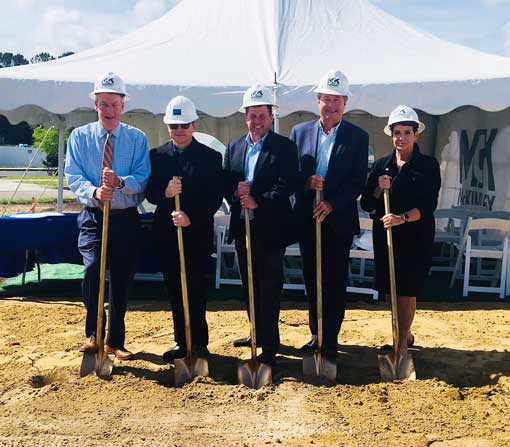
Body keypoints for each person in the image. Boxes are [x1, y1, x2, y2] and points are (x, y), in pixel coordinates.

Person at [65, 71, 151, 360]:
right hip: (92, 217)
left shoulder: (137, 139)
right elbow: (73, 176)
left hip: (125, 218)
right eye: (104, 104)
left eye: (114, 104)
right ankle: (94, 334)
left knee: (122, 279)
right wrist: (94, 191)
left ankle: (115, 341)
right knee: (92, 271)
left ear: (123, 105)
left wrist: (121, 182)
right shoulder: (79, 137)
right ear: (95, 106)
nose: (109, 110)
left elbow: (143, 178)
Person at [290, 69, 369, 362]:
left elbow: (358, 180)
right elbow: (291, 173)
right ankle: (315, 333)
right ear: (318, 101)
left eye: (337, 100)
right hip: (308, 216)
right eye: (326, 99)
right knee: (312, 277)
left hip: (338, 219)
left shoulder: (358, 137)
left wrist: (333, 202)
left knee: (334, 279)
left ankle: (331, 338)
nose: (331, 105)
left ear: (345, 103)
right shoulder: (300, 132)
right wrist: (306, 182)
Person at [224, 85, 298, 371]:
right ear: (246, 116)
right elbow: (226, 181)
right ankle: (256, 331)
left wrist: (258, 200)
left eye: (262, 116)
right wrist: (236, 191)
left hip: (271, 227)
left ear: (271, 116)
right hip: (243, 227)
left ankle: (270, 343)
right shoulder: (235, 146)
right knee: (249, 284)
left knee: (269, 285)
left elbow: (287, 183)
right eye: (252, 115)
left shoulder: (284, 147)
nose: (257, 121)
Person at [145, 96, 223, 363]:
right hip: (168, 235)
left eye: (184, 125)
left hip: (197, 233)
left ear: (194, 124)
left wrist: (192, 218)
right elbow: (150, 192)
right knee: (175, 290)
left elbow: (214, 196)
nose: (179, 130)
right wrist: (165, 192)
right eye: (173, 125)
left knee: (196, 288)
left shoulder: (211, 158)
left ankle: (199, 343)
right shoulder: (156, 156)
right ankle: (182, 341)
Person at [360, 105, 441, 357]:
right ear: (391, 134)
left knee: (407, 289)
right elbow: (366, 203)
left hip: (415, 235)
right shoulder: (382, 166)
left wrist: (401, 219)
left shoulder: (428, 165)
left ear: (416, 135)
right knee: (389, 288)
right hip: (386, 236)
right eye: (397, 132)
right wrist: (377, 188)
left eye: (407, 132)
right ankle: (403, 332)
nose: (401, 138)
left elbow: (428, 206)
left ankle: (401, 342)